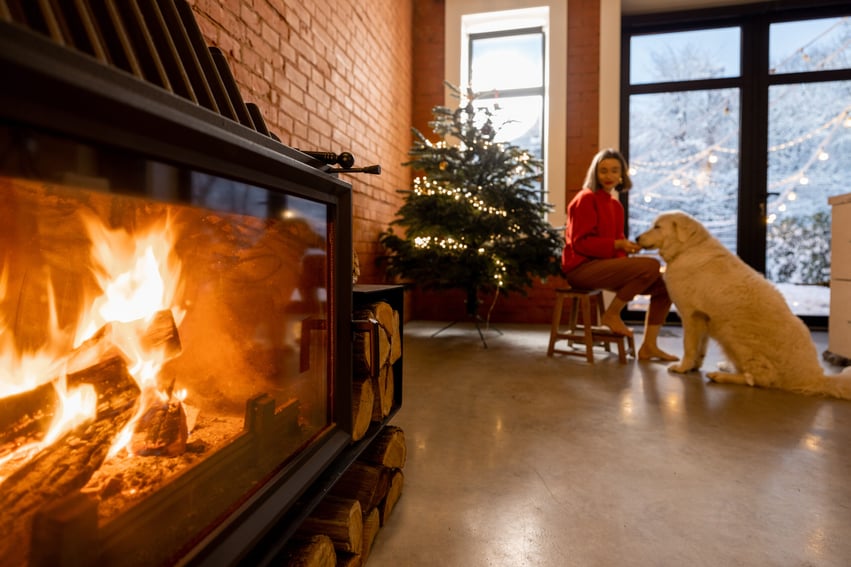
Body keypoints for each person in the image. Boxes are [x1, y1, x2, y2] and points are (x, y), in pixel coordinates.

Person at [561, 148, 678, 362]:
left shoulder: (615, 205)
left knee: (664, 287)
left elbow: (615, 248)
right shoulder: (585, 199)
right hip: (581, 269)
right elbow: (580, 243)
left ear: (622, 174)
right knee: (650, 265)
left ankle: (649, 346)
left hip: (602, 267)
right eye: (603, 171)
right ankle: (612, 314)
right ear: (594, 174)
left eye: (615, 171)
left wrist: (627, 250)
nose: (609, 176)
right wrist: (618, 245)